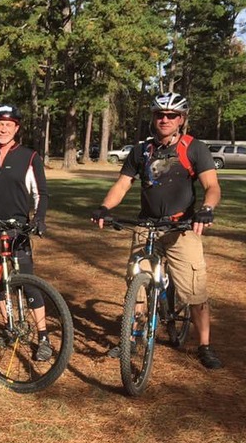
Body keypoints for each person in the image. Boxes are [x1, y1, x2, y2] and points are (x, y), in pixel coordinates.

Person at [92, 91, 223, 369]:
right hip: (147, 225)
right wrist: (104, 207)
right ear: (153, 118)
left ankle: (205, 345)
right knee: (136, 283)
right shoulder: (141, 151)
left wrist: (206, 209)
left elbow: (212, 186)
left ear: (181, 119)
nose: (165, 119)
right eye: (160, 114)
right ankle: (133, 338)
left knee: (194, 291)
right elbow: (122, 185)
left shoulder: (194, 148)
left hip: (181, 227)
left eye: (171, 115)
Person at [0, 103, 51, 360]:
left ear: (16, 128)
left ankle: (43, 336)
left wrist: (38, 218)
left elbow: (41, 193)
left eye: (8, 124)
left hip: (18, 229)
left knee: (28, 282)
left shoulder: (29, 157)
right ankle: (8, 327)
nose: (3, 129)